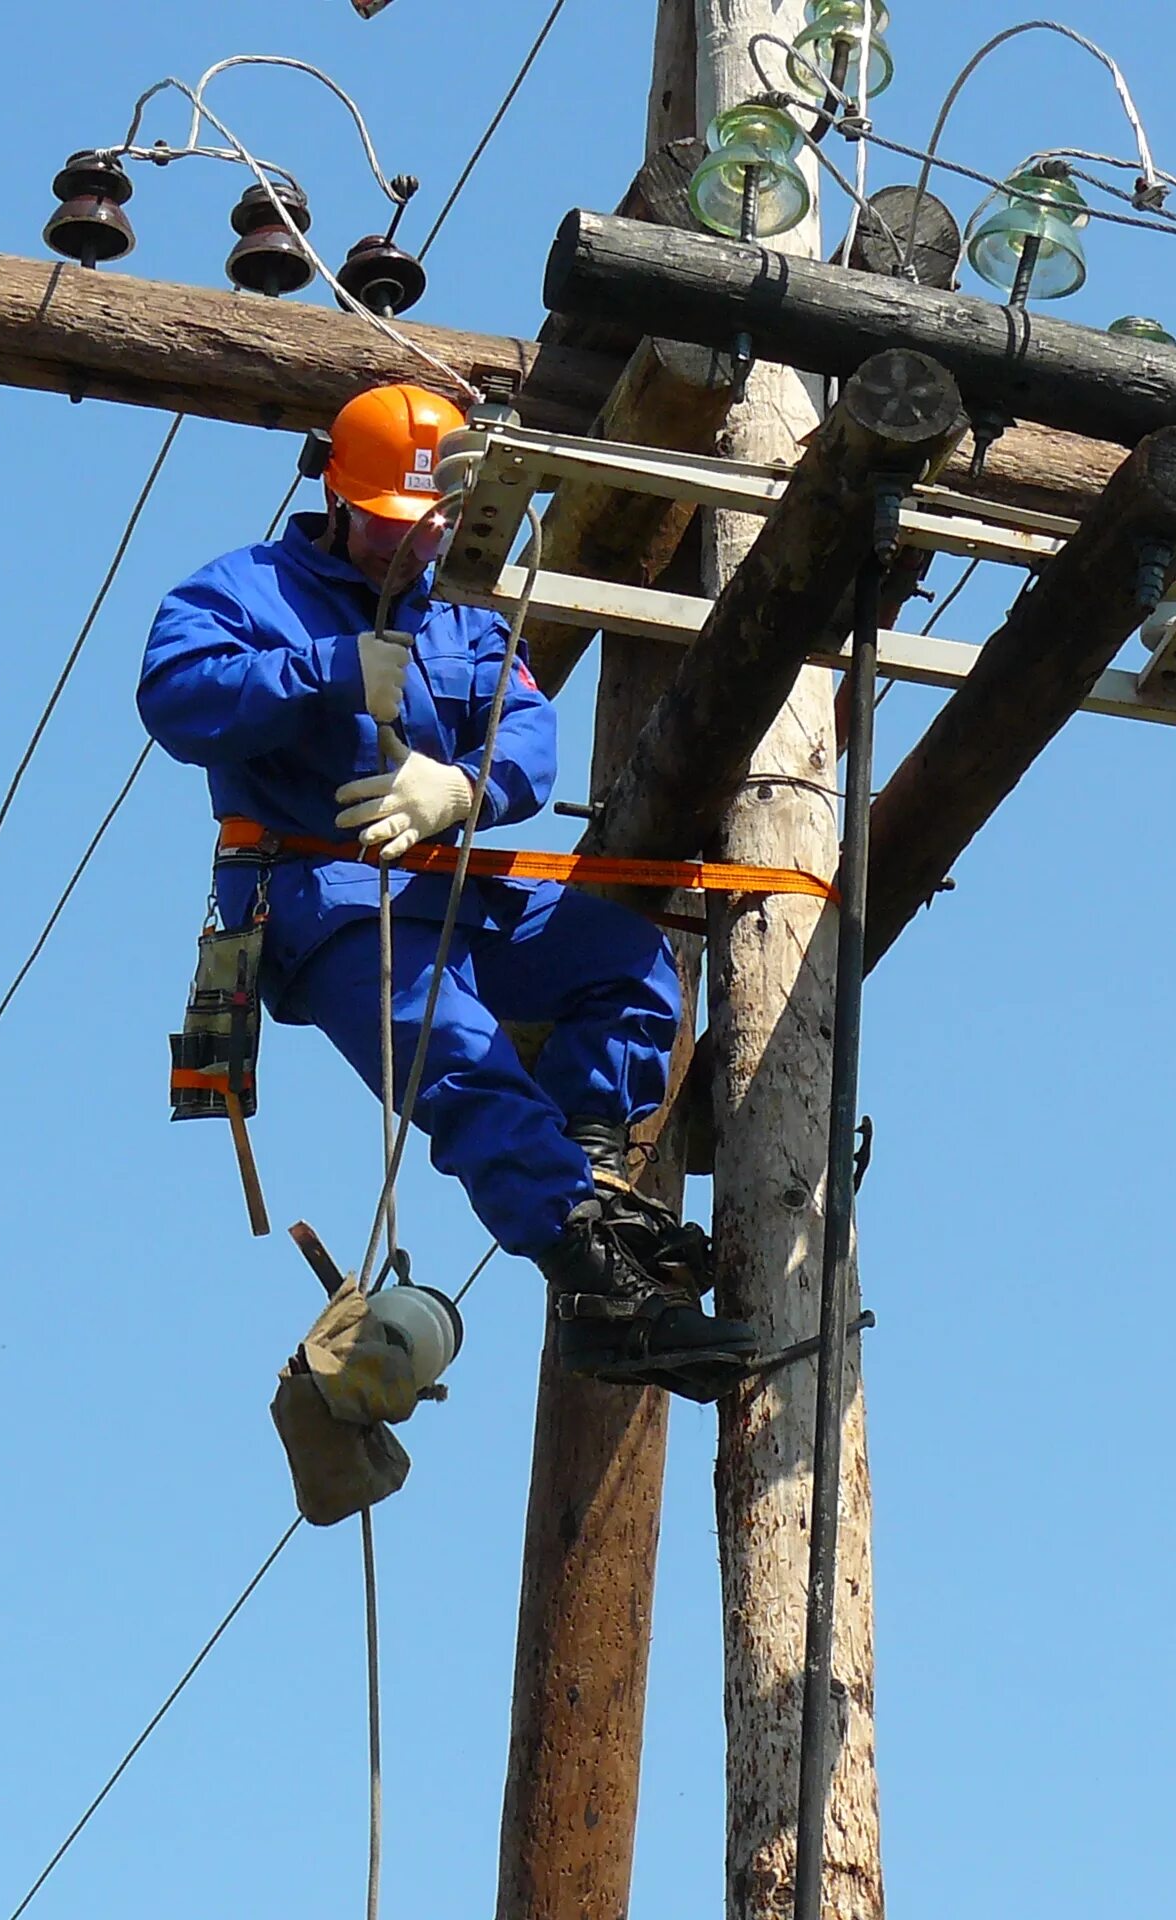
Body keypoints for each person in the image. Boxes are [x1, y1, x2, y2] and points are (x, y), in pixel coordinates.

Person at [138, 381, 758, 1396]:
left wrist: (462, 786)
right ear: (334, 496)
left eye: (428, 527)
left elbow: (526, 736)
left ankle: (590, 1171)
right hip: (326, 900)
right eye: (389, 527)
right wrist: (328, 672)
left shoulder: (460, 624)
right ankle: (591, 1281)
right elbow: (174, 699)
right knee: (462, 1063)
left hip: (460, 893)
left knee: (630, 966)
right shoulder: (243, 590)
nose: (410, 549)